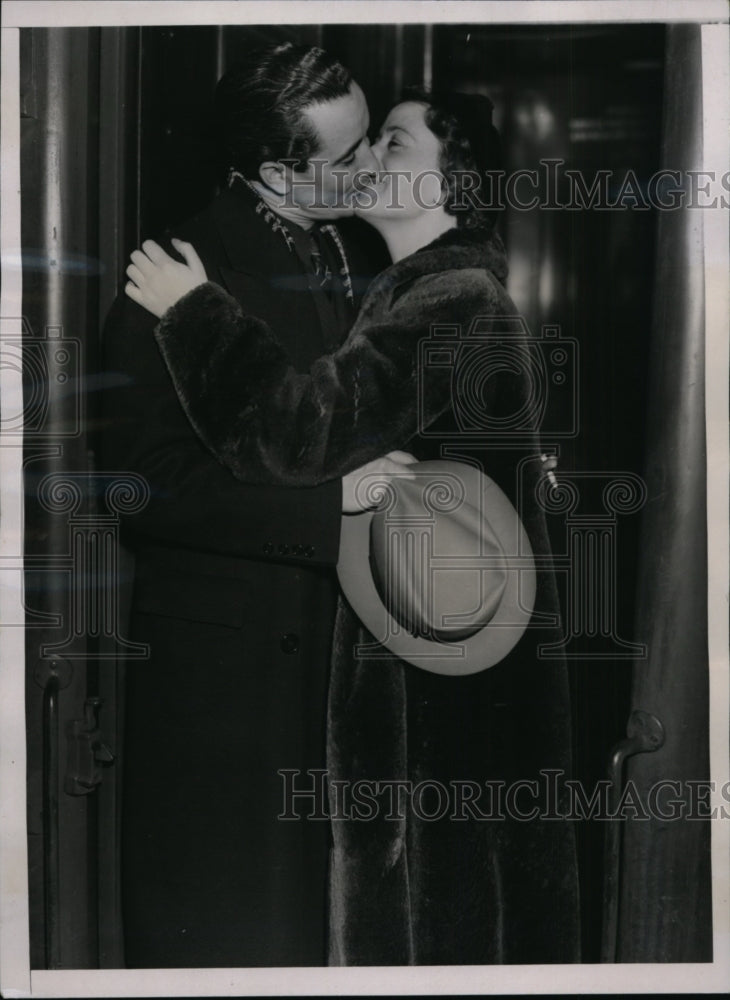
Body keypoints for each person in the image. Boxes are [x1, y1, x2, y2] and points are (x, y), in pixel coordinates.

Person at [125, 92, 582, 965]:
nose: (366, 156)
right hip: (445, 662)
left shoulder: (449, 298)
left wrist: (194, 310)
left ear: (452, 180)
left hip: (439, 687)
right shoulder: (428, 289)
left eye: (391, 139)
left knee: (428, 924)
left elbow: (299, 435)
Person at [101, 42, 414, 969]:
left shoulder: (337, 244)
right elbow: (142, 481)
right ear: (278, 171)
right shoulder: (180, 268)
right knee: (231, 930)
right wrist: (331, 511)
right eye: (348, 157)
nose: (369, 169)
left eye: (370, 141)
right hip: (225, 679)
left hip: (323, 651)